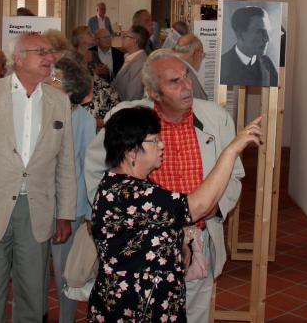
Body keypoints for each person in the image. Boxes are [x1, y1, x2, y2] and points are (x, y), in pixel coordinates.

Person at [86, 49, 246, 322]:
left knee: (192, 314)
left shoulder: (216, 118)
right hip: (140, 256)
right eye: (175, 82)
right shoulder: (129, 119)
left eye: (186, 77)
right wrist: (115, 221)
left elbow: (234, 175)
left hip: (198, 240)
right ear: (153, 92)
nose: (187, 87)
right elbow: (95, 170)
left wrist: (216, 208)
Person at [0, 32, 77, 322]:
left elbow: (65, 163)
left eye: (50, 52)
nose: (49, 58)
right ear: (19, 58)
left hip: (37, 208)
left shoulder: (59, 101)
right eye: (41, 52)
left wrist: (65, 214)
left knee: (33, 294)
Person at [43, 57, 96, 323]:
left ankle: (65, 319)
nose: (48, 80)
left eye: (55, 78)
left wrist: (88, 212)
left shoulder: (83, 120)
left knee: (66, 272)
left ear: (70, 88)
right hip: (40, 205)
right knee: (36, 270)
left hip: (70, 209)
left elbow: (89, 167)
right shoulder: (40, 111)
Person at [220, 6, 279, 87]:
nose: (267, 39)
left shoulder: (267, 64)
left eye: (267, 32)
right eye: (260, 32)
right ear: (240, 34)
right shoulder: (222, 66)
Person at [112, 25, 150, 101]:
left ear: (135, 41)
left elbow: (132, 98)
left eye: (125, 36)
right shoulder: (131, 57)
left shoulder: (139, 64)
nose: (122, 38)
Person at [174, 33, 209, 100]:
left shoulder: (170, 67)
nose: (201, 59)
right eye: (202, 55)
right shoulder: (188, 77)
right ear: (196, 54)